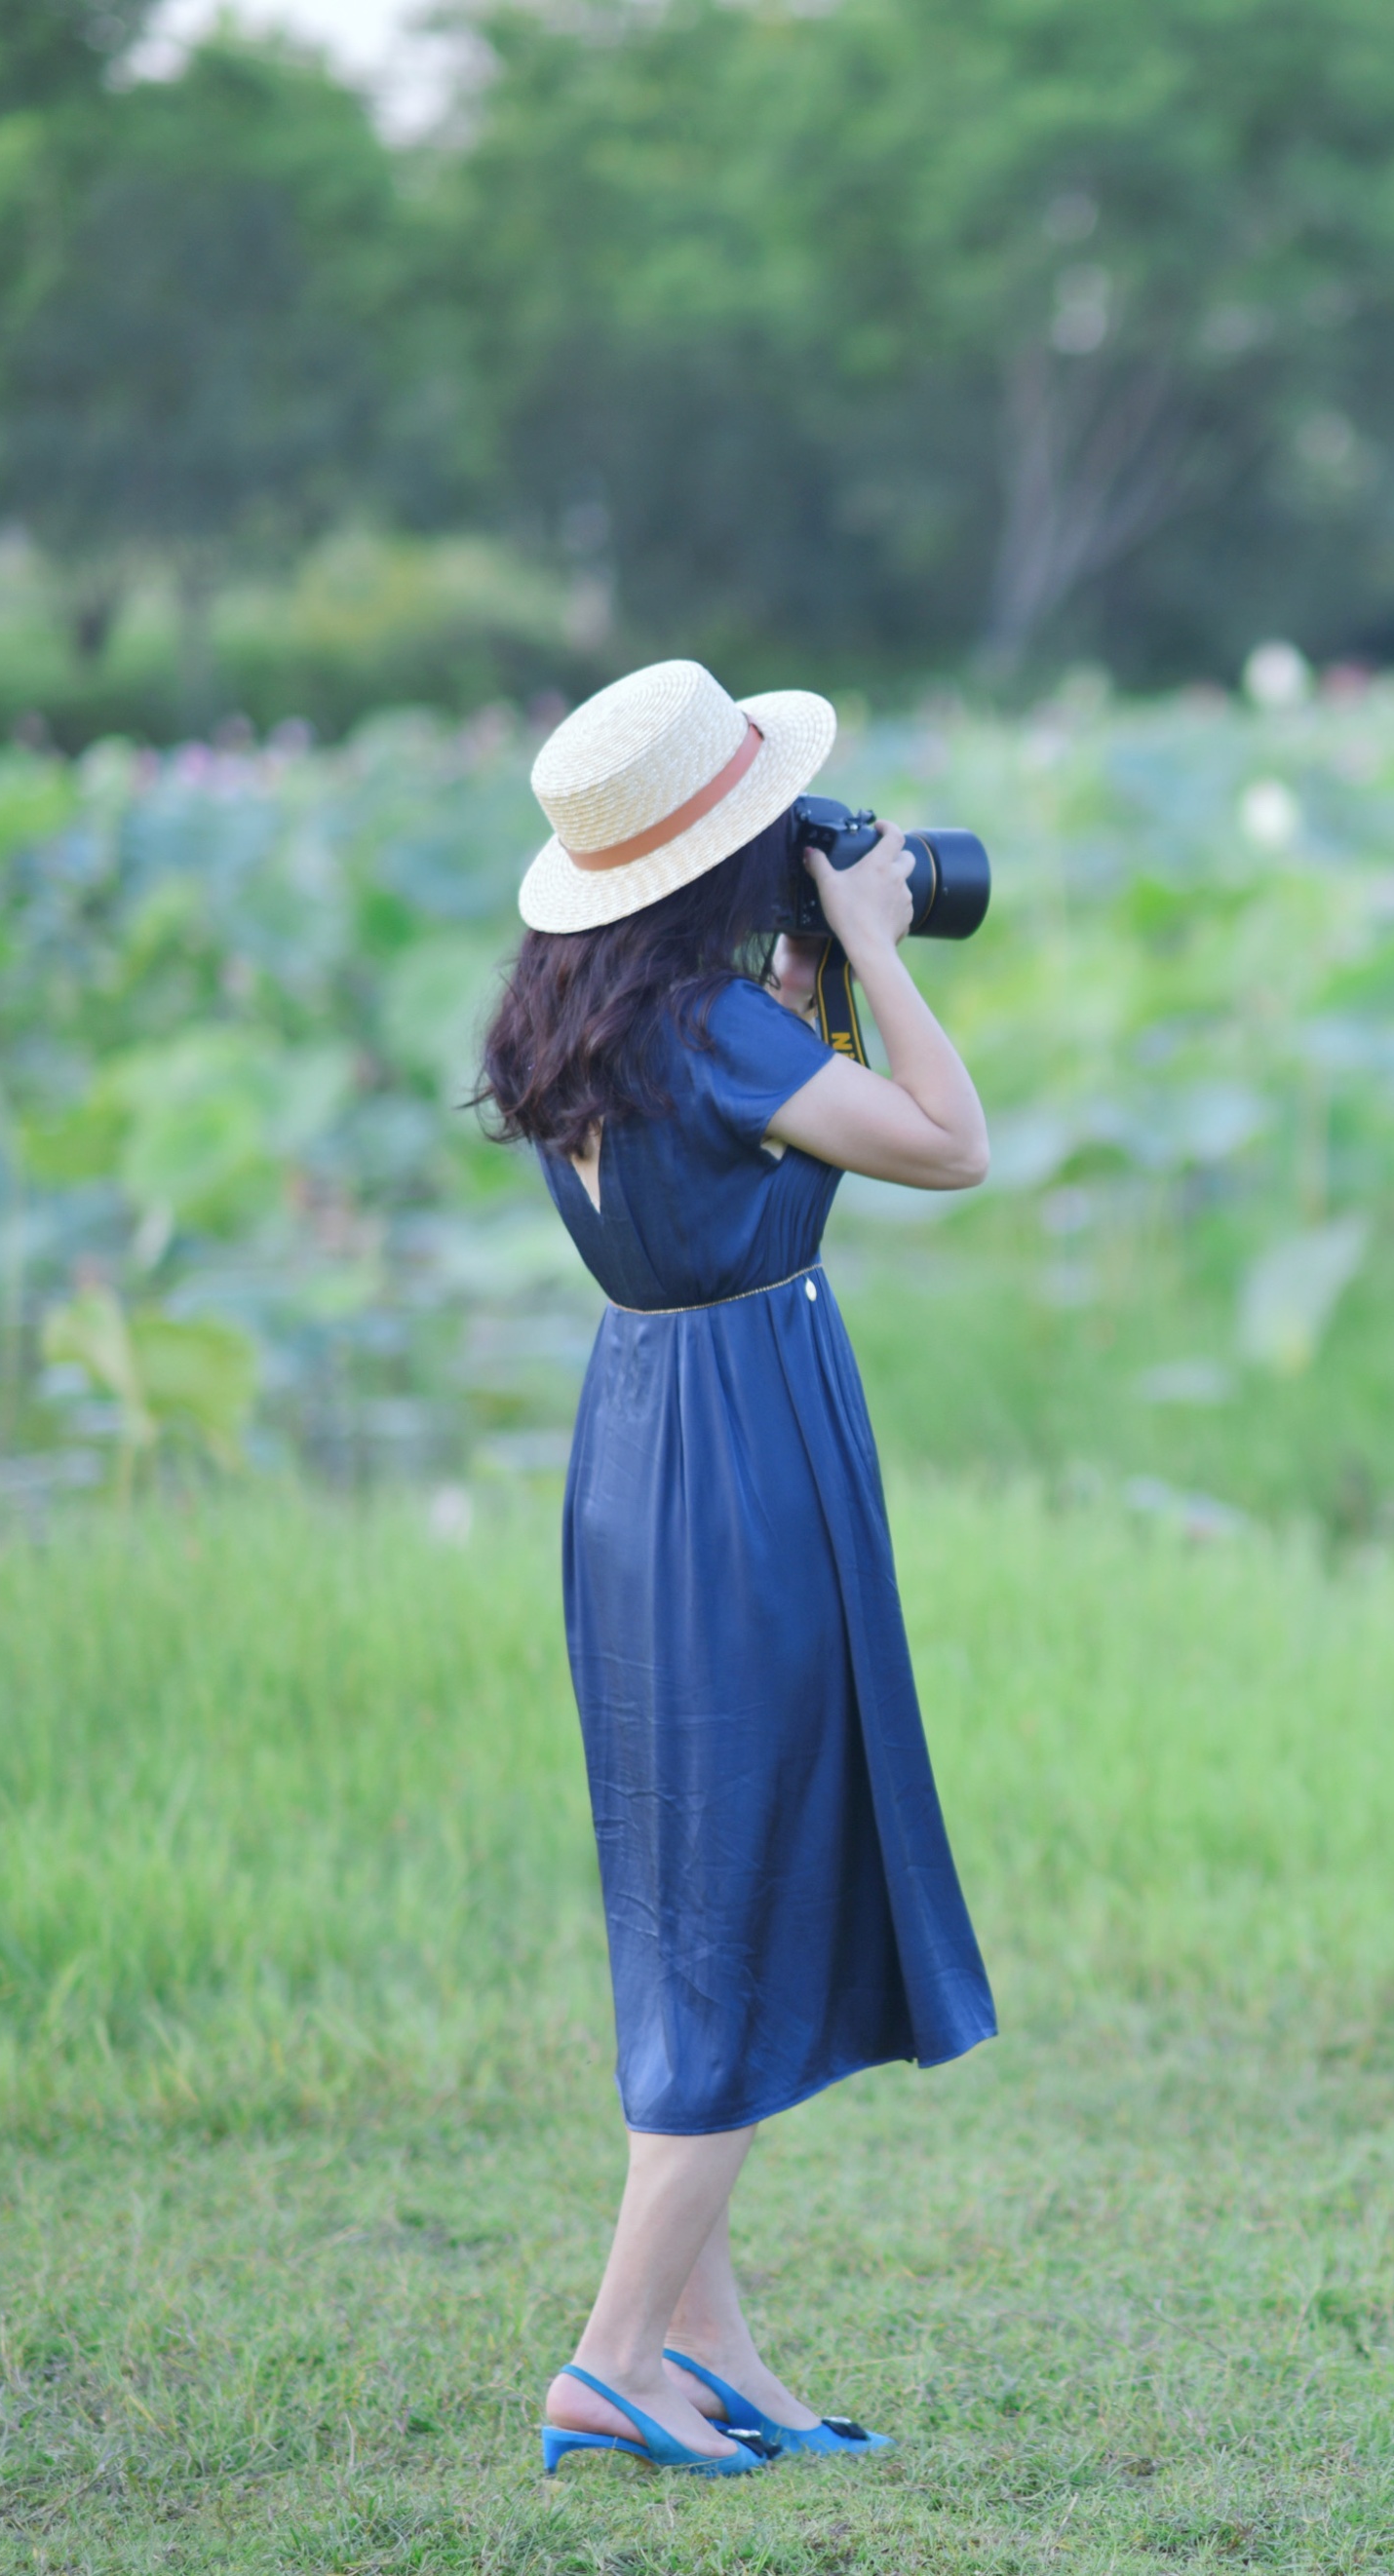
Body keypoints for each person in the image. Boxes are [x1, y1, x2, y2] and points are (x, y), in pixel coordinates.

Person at [470, 660, 997, 2478]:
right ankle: (611, 2361)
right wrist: (883, 950)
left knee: (691, 1909)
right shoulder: (717, 1031)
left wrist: (801, 988)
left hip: (640, 1446)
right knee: (748, 1912)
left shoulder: (591, 1016)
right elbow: (951, 1144)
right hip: (751, 1461)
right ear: (723, 855)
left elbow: (722, 1161)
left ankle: (722, 2366)